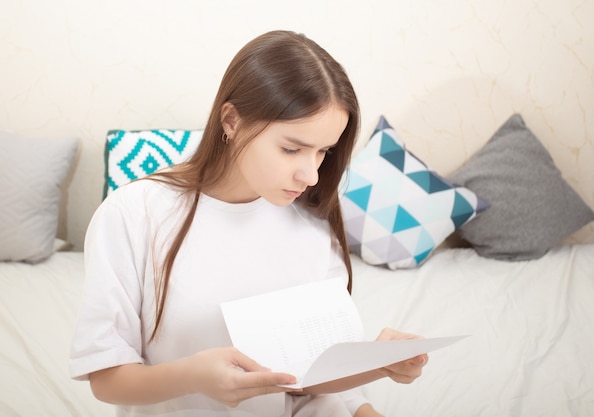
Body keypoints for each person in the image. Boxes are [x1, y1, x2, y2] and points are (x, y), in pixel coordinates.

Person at [69, 30, 428, 417]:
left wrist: (377, 364)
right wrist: (193, 376)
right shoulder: (133, 213)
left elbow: (308, 378)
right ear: (231, 121)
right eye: (292, 148)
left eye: (323, 151)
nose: (310, 174)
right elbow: (105, 378)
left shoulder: (311, 215)